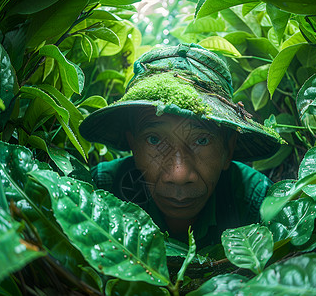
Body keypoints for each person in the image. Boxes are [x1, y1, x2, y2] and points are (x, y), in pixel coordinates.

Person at [79, 43, 283, 248]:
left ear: (227, 149)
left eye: (201, 140)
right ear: (134, 148)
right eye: (154, 140)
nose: (179, 175)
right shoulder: (98, 190)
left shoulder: (258, 203)